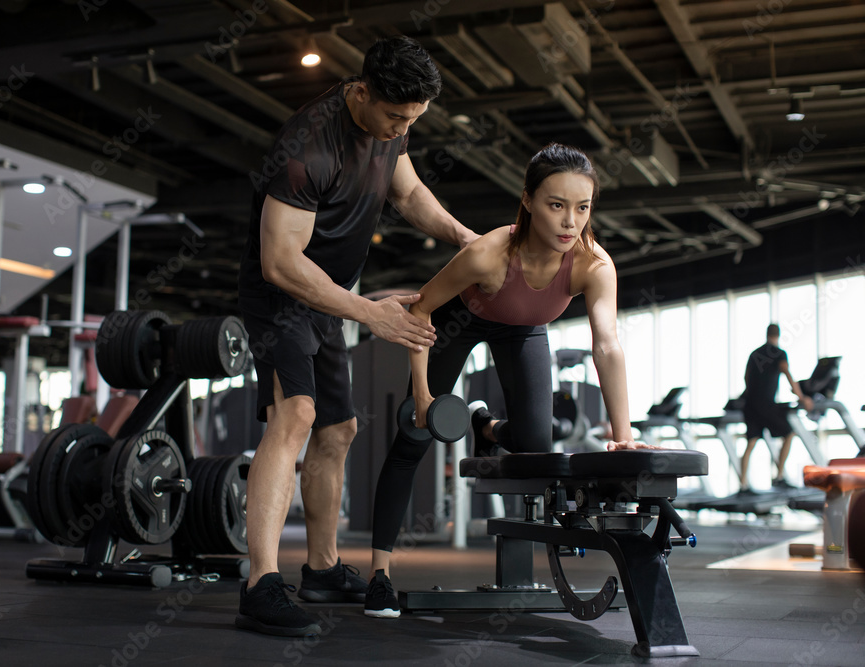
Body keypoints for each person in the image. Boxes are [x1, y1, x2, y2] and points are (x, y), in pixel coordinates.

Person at [236, 36, 479, 637]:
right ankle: (260, 583)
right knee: (295, 414)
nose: (403, 128)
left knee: (339, 428)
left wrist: (466, 239)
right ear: (362, 92)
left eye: (414, 119)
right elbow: (281, 263)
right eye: (396, 116)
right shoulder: (306, 148)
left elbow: (408, 191)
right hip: (281, 298)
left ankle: (321, 570)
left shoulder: (392, 125)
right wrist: (371, 315)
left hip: (330, 298)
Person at [365, 143, 646, 619]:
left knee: (537, 447)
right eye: (556, 205)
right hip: (459, 321)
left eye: (582, 208)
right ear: (529, 200)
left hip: (524, 329)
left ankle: (486, 428)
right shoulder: (487, 254)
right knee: (413, 438)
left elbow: (607, 345)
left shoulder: (593, 264)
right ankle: (379, 574)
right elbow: (421, 309)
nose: (570, 222)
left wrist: (624, 437)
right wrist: (423, 396)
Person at [739, 324, 814, 492]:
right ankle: (779, 476)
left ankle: (743, 485)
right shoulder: (780, 353)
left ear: (767, 334)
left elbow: (746, 377)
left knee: (750, 443)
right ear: (778, 335)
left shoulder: (755, 354)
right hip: (766, 404)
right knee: (789, 433)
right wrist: (802, 398)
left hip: (750, 404)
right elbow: (787, 373)